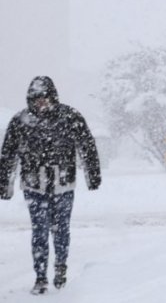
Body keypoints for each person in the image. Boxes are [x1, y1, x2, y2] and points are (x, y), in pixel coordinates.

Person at [0, 76, 101, 294]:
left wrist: (92, 175)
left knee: (61, 230)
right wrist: (4, 184)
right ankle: (41, 276)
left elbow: (87, 146)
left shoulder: (69, 117)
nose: (41, 104)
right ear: (30, 100)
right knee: (39, 231)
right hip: (34, 186)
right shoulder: (20, 121)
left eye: (44, 98)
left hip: (63, 184)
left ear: (52, 97)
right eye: (36, 100)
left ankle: (60, 268)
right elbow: (8, 155)